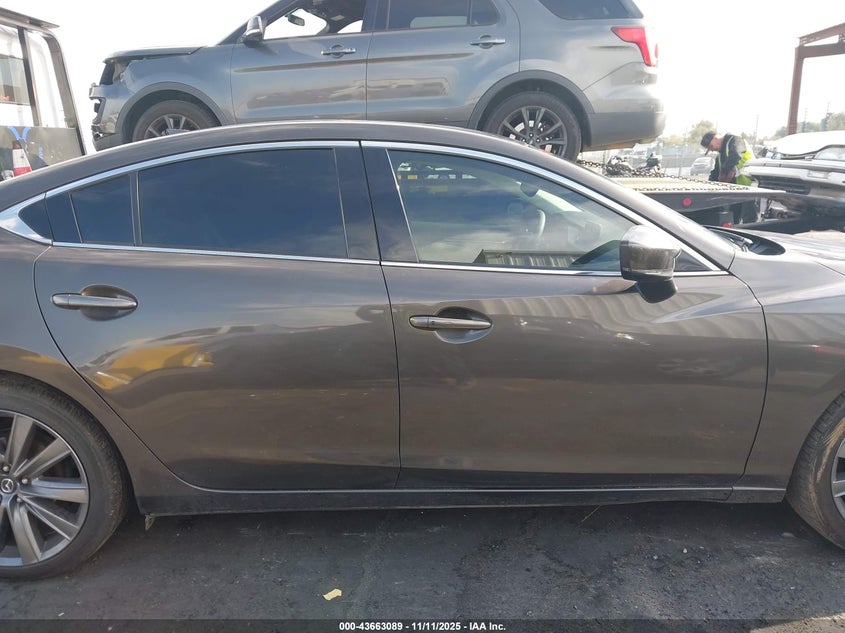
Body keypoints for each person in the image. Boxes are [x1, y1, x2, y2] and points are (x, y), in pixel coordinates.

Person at [700, 131, 758, 223]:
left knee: (749, 217)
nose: (712, 149)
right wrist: (709, 187)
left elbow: (735, 155)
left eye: (711, 146)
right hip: (736, 189)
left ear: (715, 138)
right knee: (733, 216)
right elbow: (715, 173)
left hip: (749, 186)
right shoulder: (721, 155)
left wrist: (724, 172)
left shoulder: (736, 140)